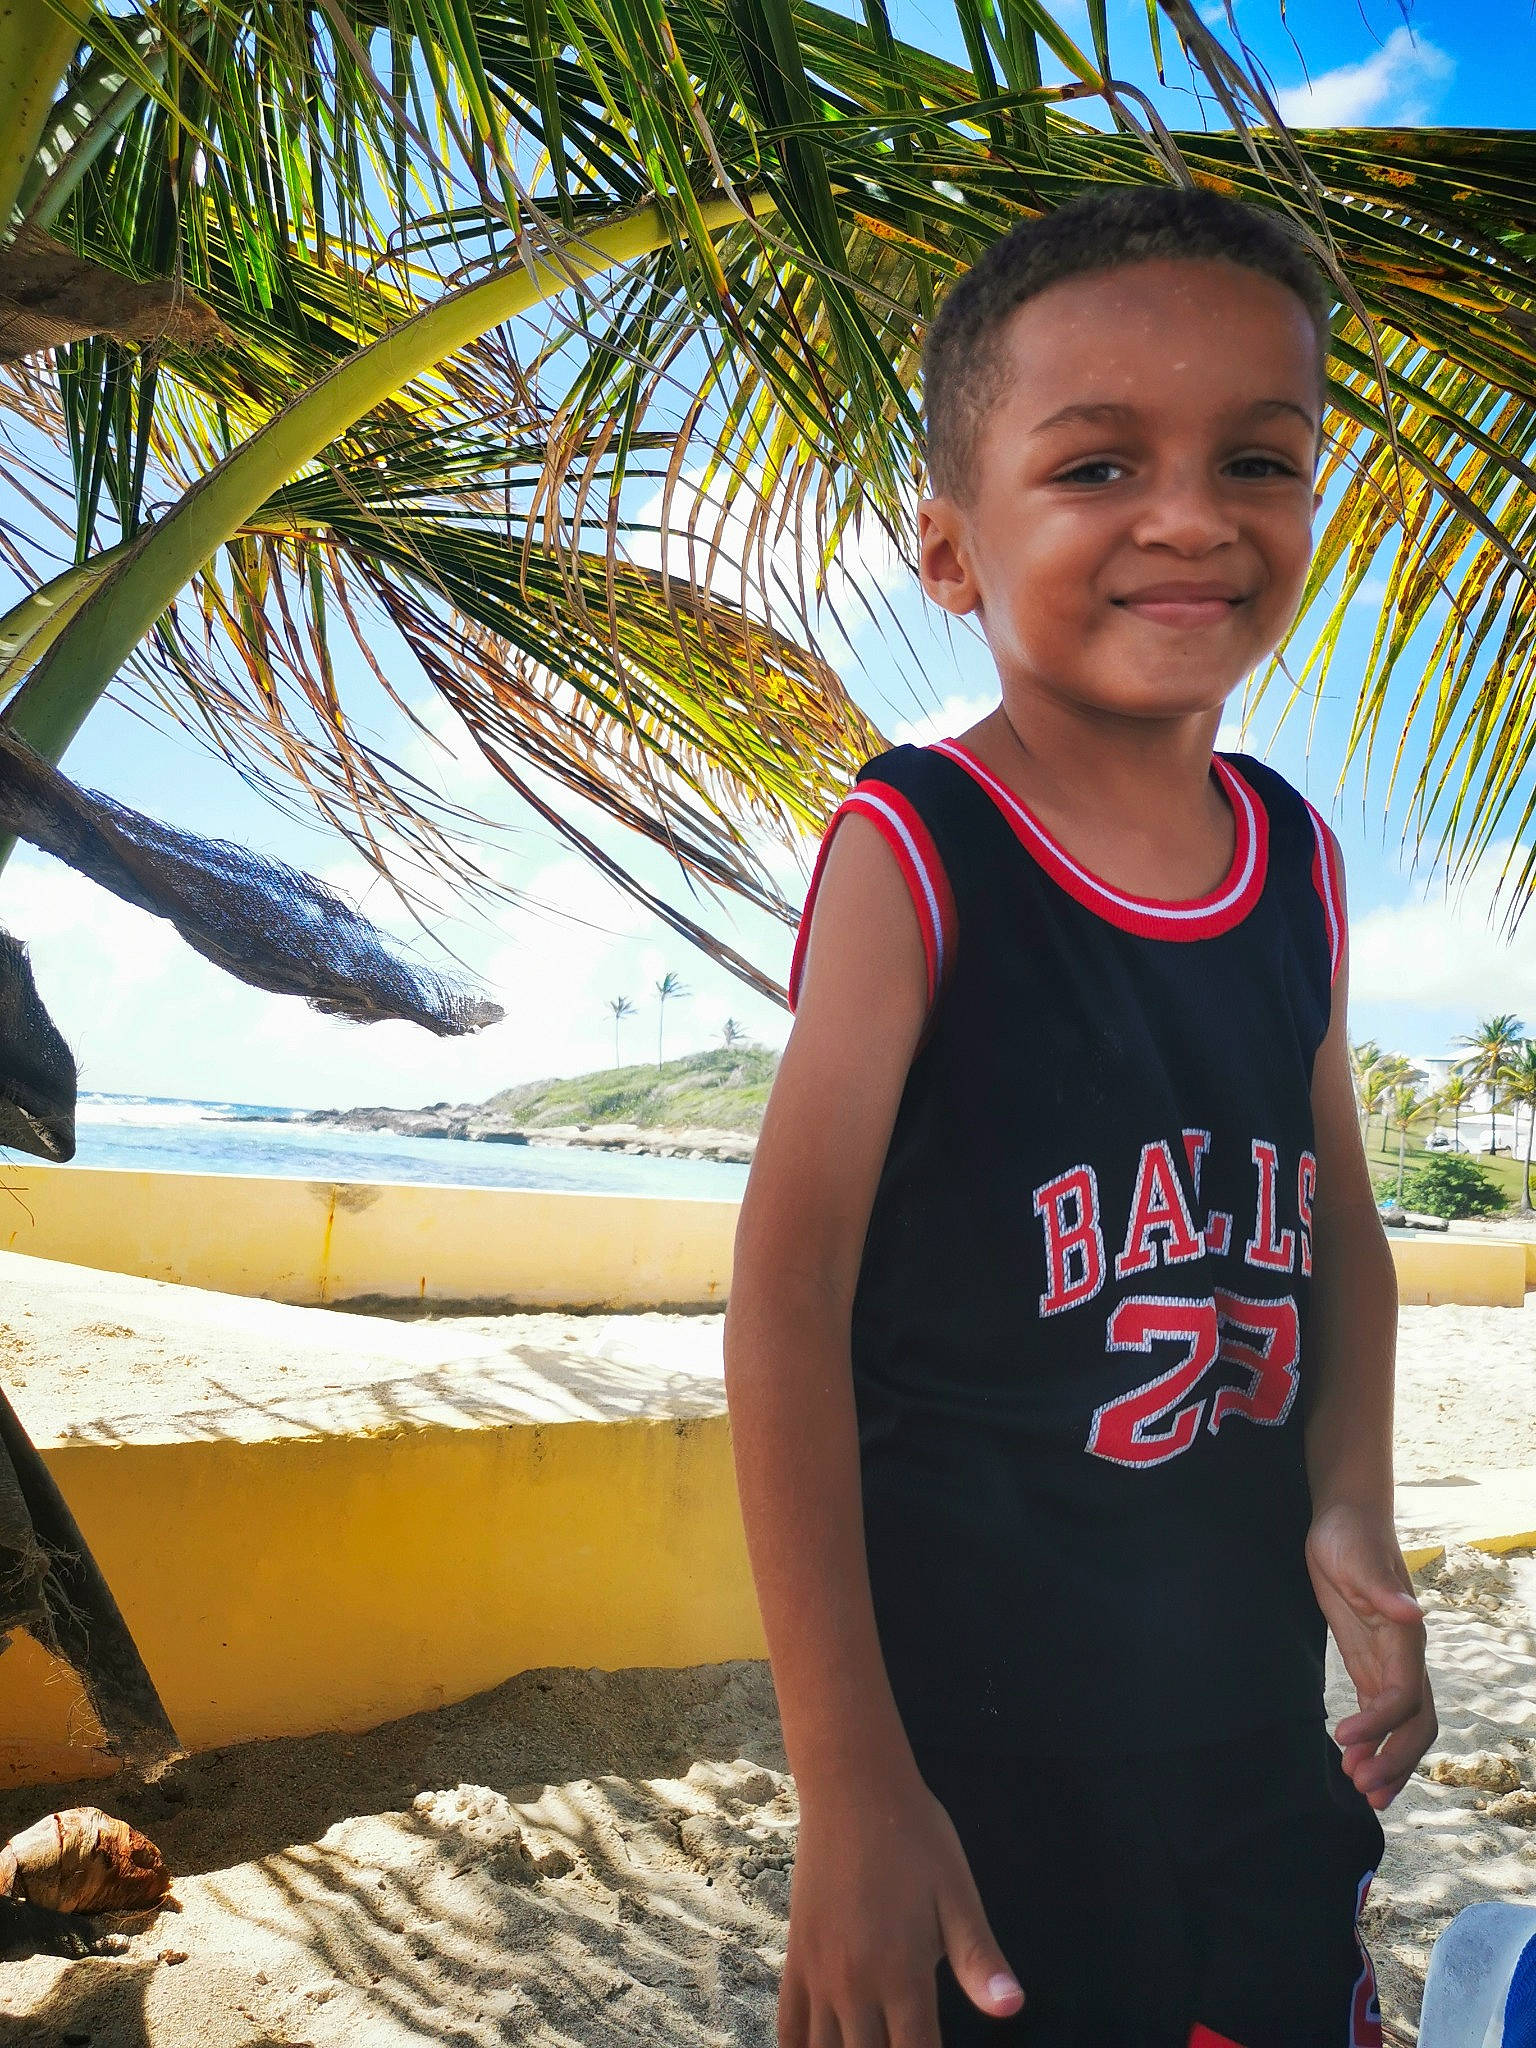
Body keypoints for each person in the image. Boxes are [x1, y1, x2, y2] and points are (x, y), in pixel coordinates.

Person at [721, 184, 1438, 2048]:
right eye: (1100, 463)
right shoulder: (918, 847)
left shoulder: (1297, 860)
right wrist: (852, 1784)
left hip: (1248, 1715)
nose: (1190, 515)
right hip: (975, 1751)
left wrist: (1348, 1498)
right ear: (954, 550)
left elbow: (1334, 1224)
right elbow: (784, 1296)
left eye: (1257, 460)